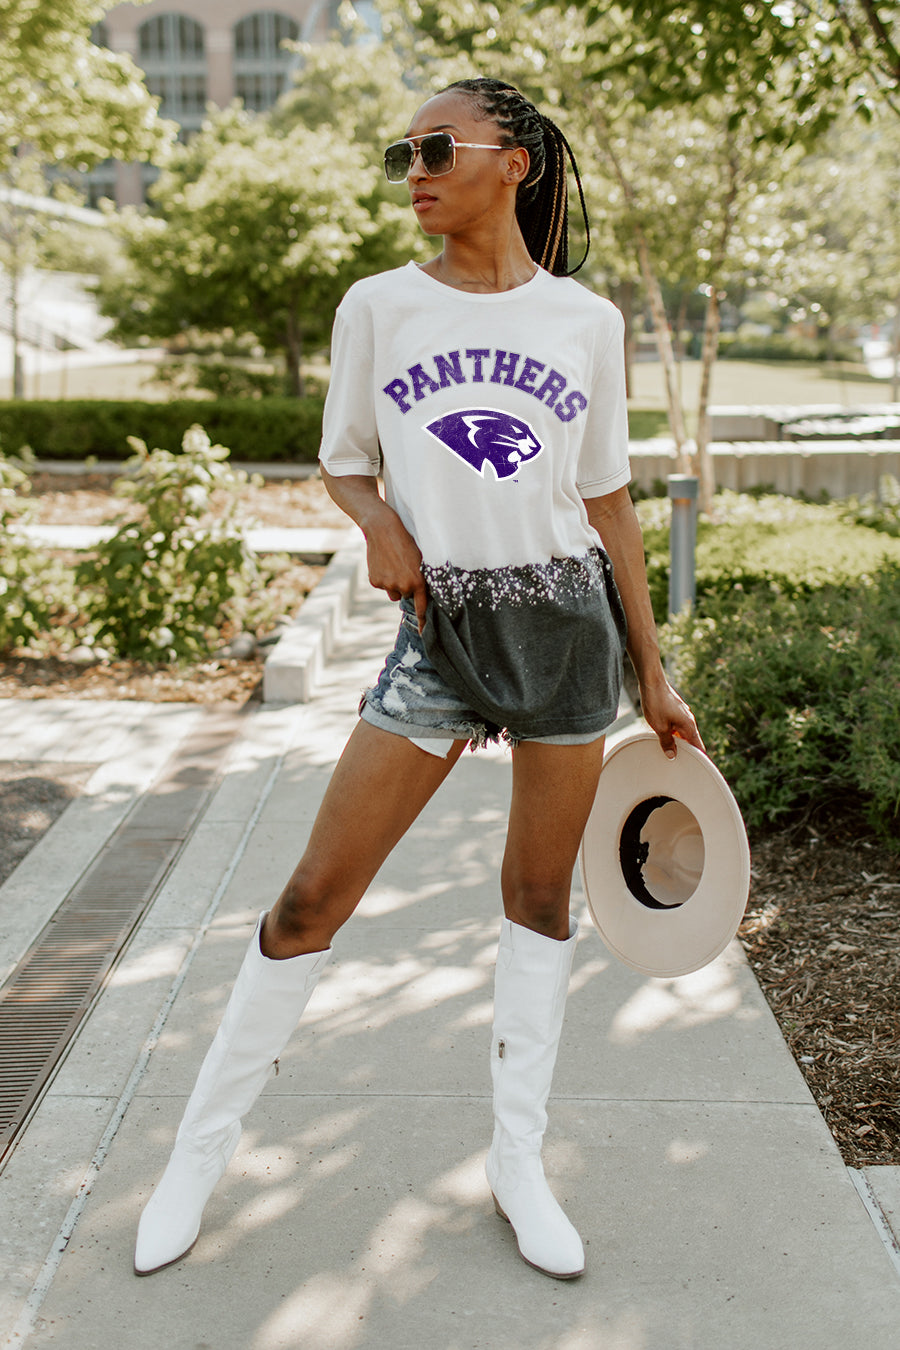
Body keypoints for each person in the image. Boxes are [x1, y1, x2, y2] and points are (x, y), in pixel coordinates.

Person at [135, 76, 703, 1282]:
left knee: (538, 901)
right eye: (405, 152)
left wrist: (653, 675)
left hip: (566, 634)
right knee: (310, 901)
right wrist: (379, 522)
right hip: (440, 639)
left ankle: (517, 1163)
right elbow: (344, 460)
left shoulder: (585, 321)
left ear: (516, 163)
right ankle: (197, 1153)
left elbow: (608, 504)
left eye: (437, 148)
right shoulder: (380, 307)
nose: (414, 171)